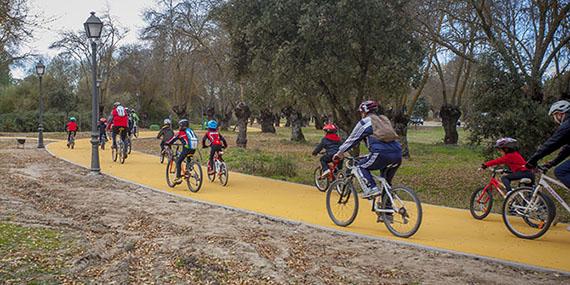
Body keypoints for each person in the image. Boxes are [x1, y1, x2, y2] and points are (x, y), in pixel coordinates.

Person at [334, 100, 402, 199]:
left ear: (364, 111)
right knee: (386, 183)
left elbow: (352, 139)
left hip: (381, 153)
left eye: (361, 112)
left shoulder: (365, 122)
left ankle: (372, 189)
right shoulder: (384, 120)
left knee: (359, 166)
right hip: (397, 153)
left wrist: (339, 152)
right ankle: (387, 210)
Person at [527, 100, 570, 187]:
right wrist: (551, 164)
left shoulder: (567, 125)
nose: (554, 119)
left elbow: (550, 145)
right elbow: (567, 149)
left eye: (554, 115)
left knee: (560, 171)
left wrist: (531, 161)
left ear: (560, 114)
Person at [166, 119, 198, 184]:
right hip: (193, 148)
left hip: (186, 149)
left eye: (179, 126)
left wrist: (167, 143)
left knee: (178, 161)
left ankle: (178, 178)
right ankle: (187, 170)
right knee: (188, 157)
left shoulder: (180, 133)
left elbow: (173, 139)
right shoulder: (191, 131)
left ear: (181, 126)